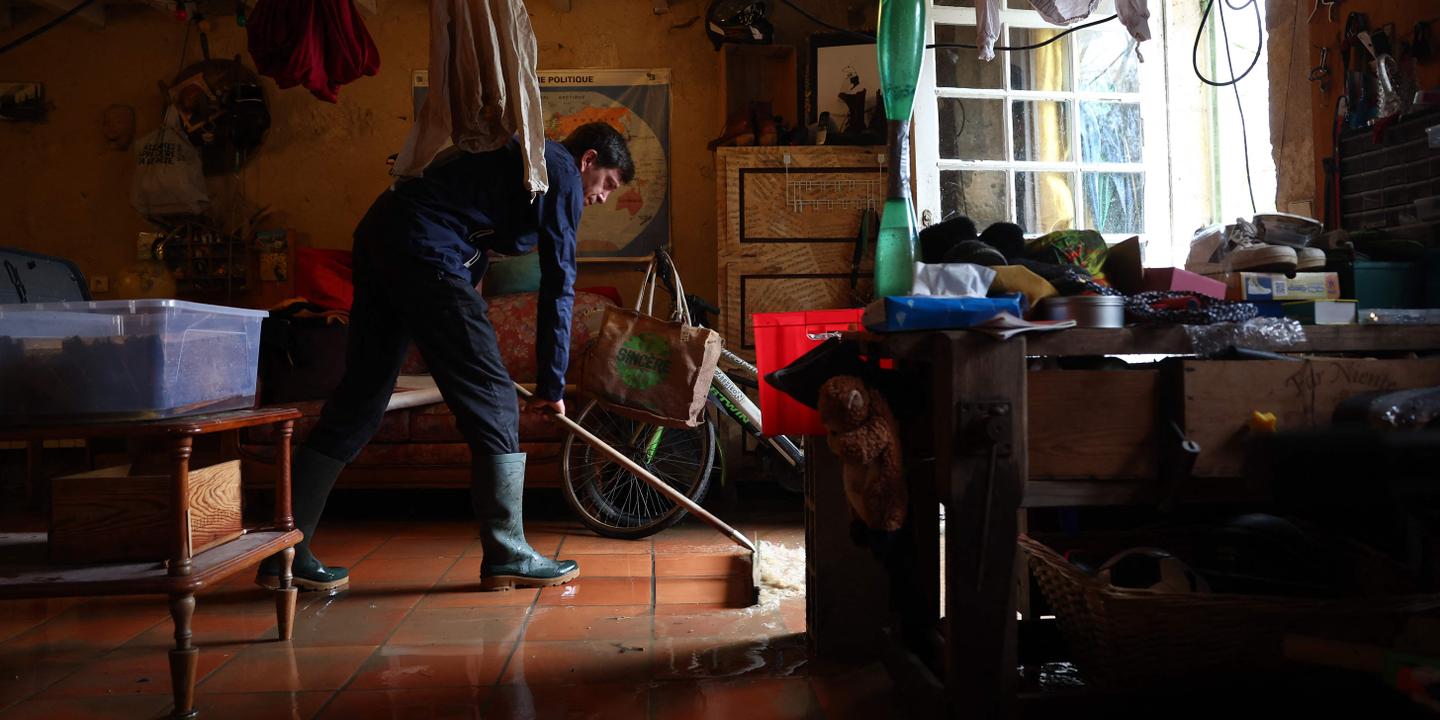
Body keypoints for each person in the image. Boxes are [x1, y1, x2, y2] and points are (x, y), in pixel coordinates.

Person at [256, 122, 635, 592]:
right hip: (425, 252)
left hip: (382, 236)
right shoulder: (557, 167)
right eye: (607, 185)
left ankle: (283, 555)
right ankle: (508, 553)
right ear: (589, 160)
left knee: (360, 399)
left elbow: (469, 242)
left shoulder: (521, 166)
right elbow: (559, 282)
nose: (601, 198)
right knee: (494, 396)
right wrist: (551, 386)